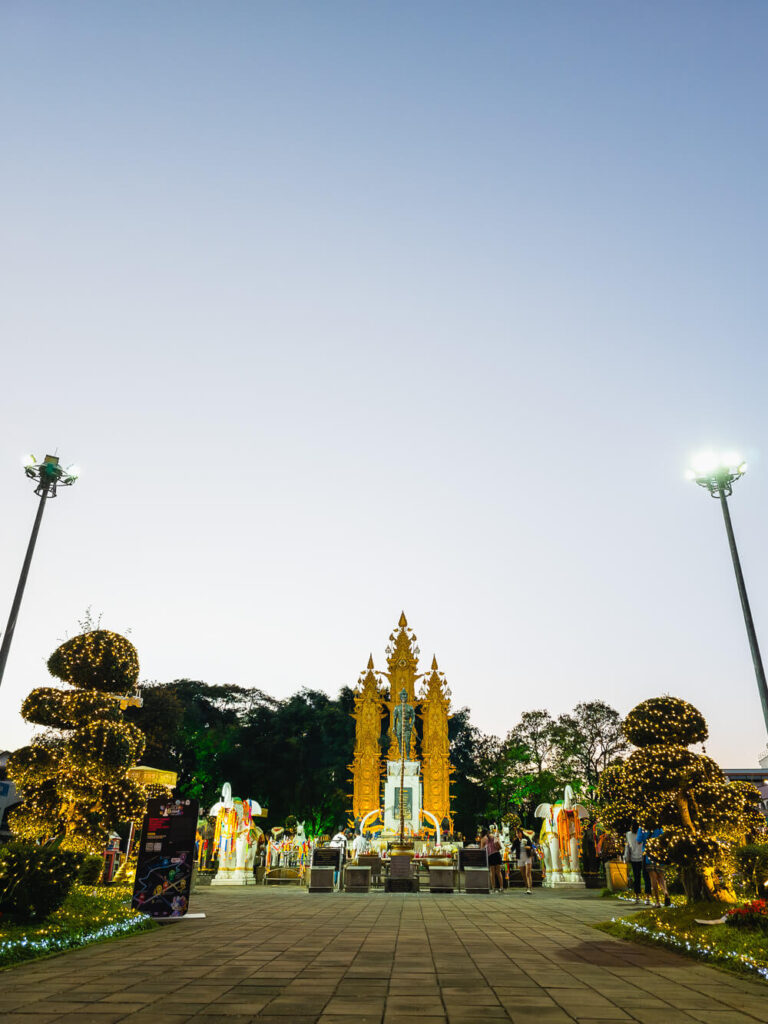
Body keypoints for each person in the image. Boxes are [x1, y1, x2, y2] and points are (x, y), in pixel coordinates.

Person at [637, 826, 671, 907]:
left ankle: (657, 902)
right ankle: (665, 892)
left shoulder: (642, 828)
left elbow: (638, 841)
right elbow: (663, 838)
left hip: (648, 855)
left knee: (653, 879)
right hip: (659, 855)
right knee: (661, 877)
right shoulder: (658, 827)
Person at [624, 825, 651, 903]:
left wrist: (626, 857)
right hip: (643, 857)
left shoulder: (628, 834)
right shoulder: (643, 832)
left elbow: (627, 846)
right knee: (646, 877)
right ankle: (647, 897)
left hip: (634, 858)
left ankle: (637, 897)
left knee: (637, 877)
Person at [481, 828, 504, 893]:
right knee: (498, 872)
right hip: (497, 854)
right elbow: (498, 843)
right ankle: (501, 887)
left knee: (492, 872)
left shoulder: (483, 839)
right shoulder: (493, 836)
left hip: (490, 855)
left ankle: (493, 888)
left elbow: (482, 849)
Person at [511, 827, 534, 893]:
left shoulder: (526, 838)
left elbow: (531, 846)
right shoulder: (516, 841)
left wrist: (526, 847)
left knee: (528, 873)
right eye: (516, 833)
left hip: (527, 857)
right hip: (520, 858)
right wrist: (510, 851)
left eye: (518, 833)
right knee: (523, 874)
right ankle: (527, 887)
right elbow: (513, 848)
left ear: (521, 833)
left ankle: (530, 888)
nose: (517, 835)